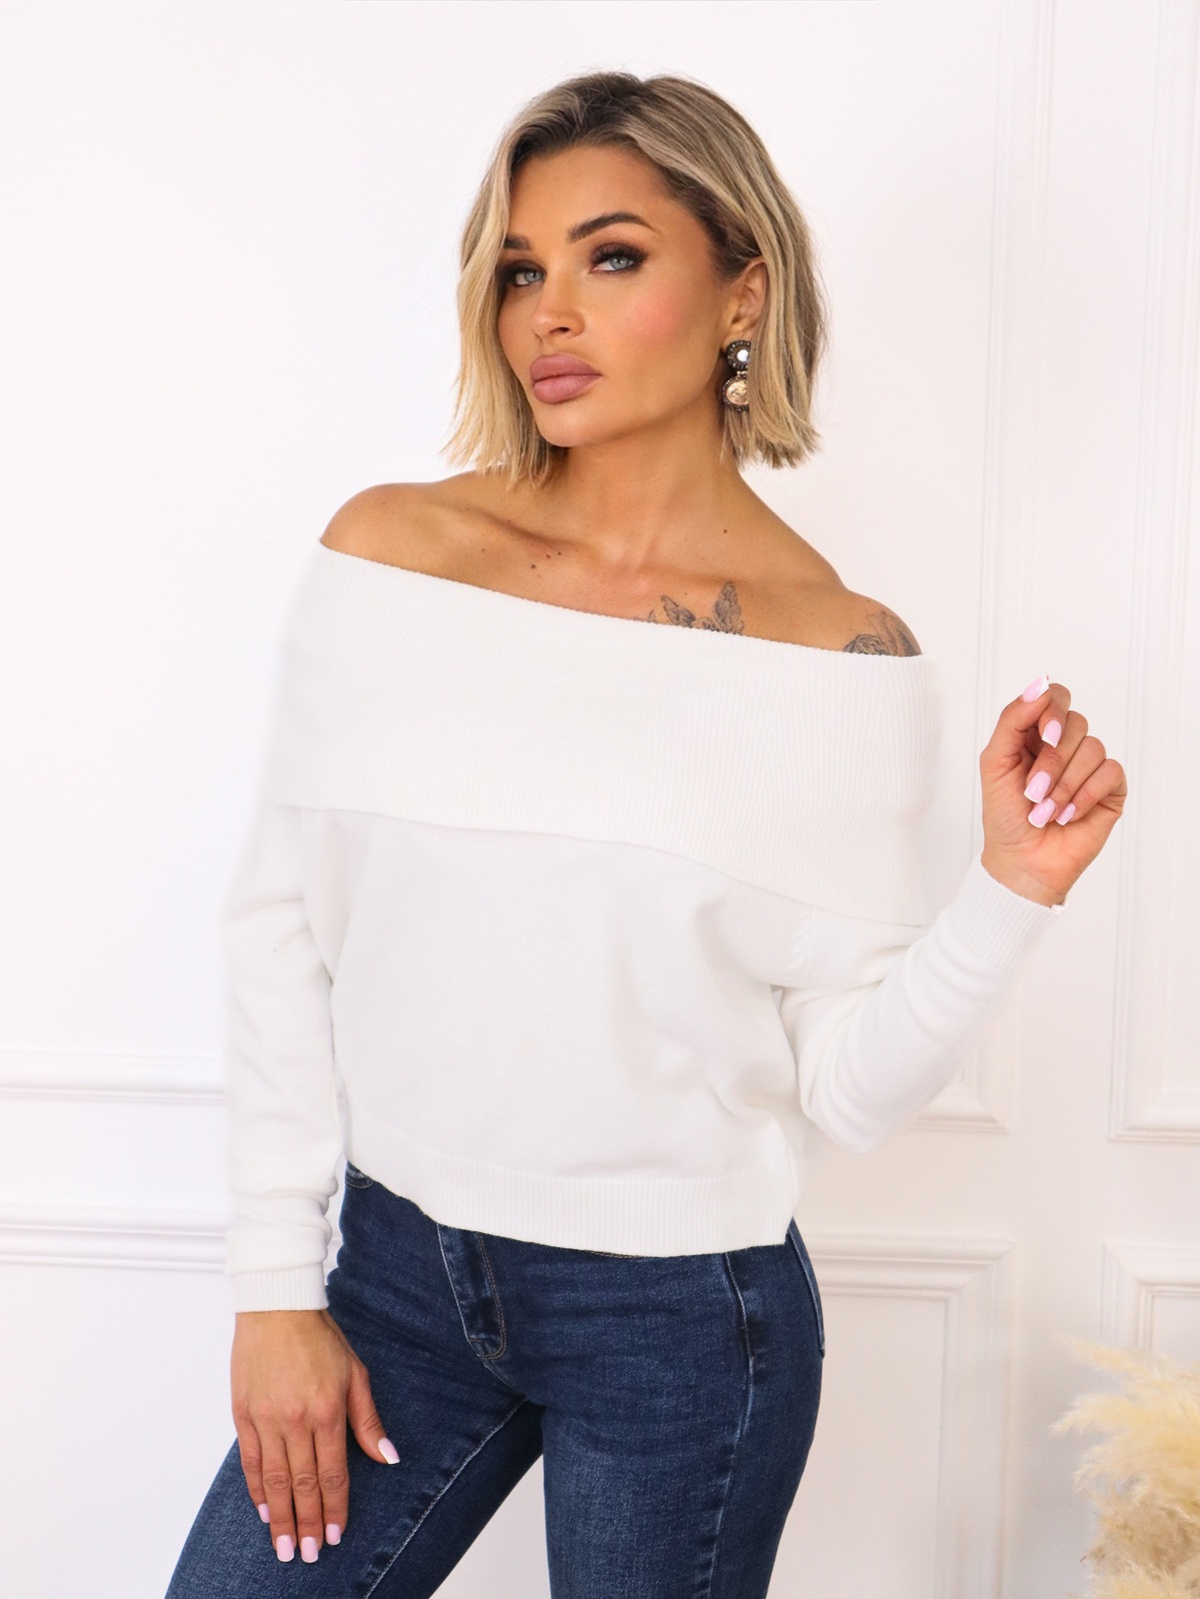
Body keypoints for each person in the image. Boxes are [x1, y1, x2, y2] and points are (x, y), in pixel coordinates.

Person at [164, 69, 1126, 1599]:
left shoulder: (845, 659)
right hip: (401, 1280)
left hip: (683, 1328)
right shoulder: (395, 557)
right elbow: (279, 920)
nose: (549, 312)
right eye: (519, 270)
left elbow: (849, 1086)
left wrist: (1011, 887)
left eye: (611, 257)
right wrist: (274, 1290)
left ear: (744, 287)